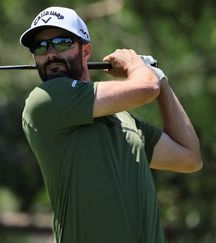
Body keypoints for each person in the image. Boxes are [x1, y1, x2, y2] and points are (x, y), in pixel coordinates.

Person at [20, 6, 203, 243]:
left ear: (86, 51)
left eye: (62, 43)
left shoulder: (122, 119)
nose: (51, 54)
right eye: (41, 47)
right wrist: (137, 67)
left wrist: (160, 78)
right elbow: (146, 89)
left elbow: (189, 158)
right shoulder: (45, 101)